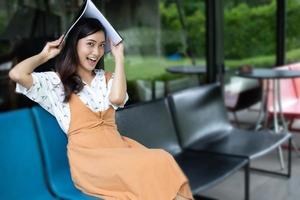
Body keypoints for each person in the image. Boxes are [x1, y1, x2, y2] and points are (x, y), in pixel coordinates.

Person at [9, 18, 194, 200]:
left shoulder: (106, 78)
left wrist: (119, 58)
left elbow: (117, 98)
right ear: (74, 45)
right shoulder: (56, 83)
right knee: (146, 167)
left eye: (101, 45)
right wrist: (45, 55)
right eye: (90, 44)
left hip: (118, 148)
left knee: (162, 158)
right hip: (90, 160)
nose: (96, 52)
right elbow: (16, 74)